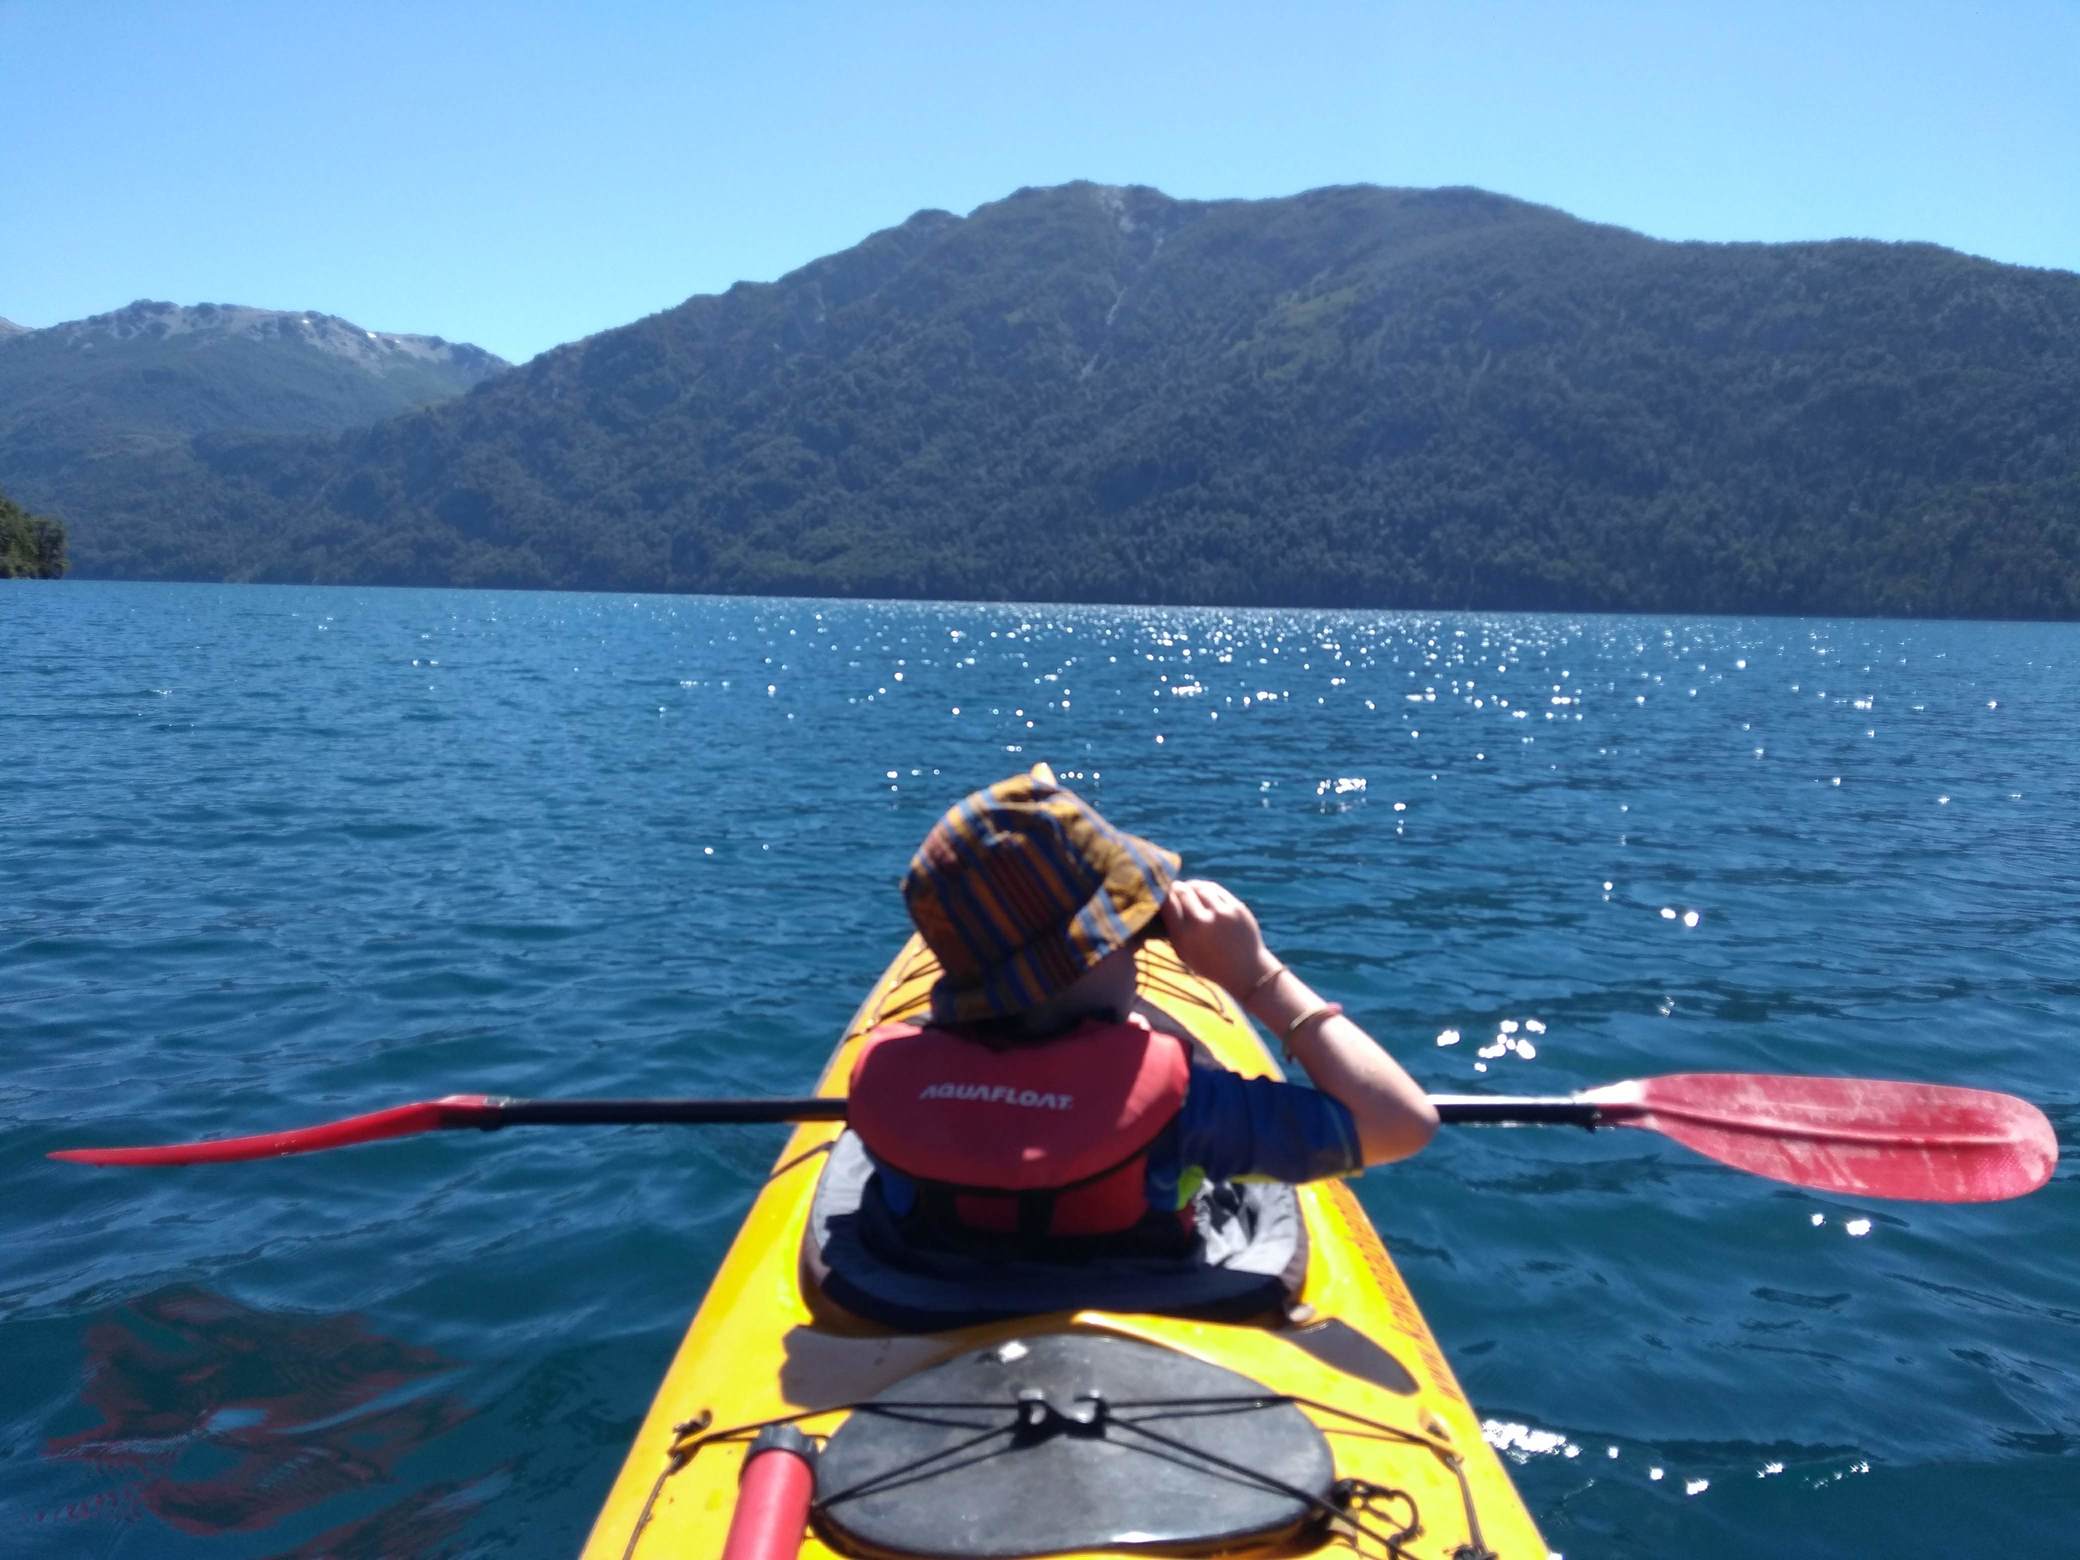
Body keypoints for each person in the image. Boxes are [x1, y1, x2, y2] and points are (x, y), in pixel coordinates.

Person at [844, 764, 1438, 1256]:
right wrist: (1258, 979)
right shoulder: (1180, 1106)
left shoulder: (883, 1078)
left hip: (918, 1304)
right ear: (1096, 954)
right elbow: (1401, 1124)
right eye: (1130, 930)